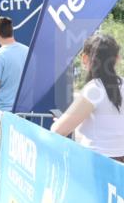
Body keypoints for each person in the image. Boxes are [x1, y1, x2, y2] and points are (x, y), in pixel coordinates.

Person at [51, 34, 124, 162]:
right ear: (117, 59)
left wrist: (61, 121)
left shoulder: (94, 89)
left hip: (96, 163)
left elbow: (58, 130)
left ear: (85, 58)